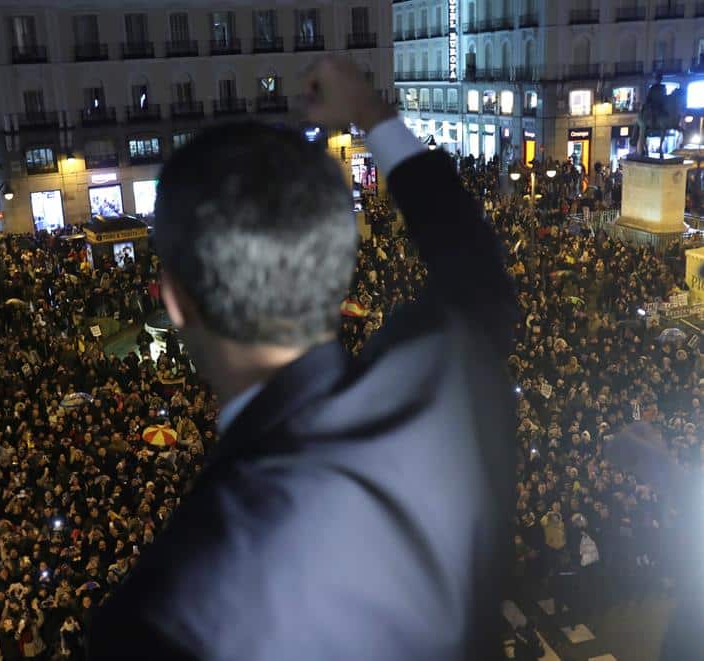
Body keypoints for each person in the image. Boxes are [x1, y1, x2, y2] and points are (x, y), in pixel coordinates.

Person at [88, 57, 516, 659]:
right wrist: (371, 113)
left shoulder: (164, 611)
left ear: (175, 300)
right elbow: (475, 269)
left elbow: (473, 270)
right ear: (339, 271)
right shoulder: (440, 385)